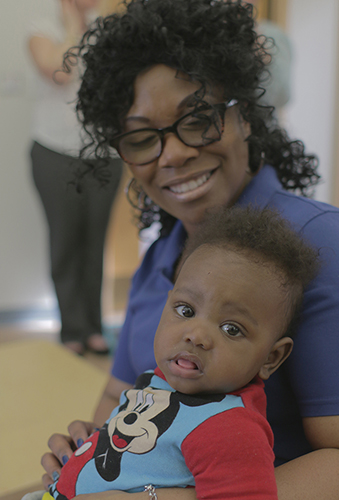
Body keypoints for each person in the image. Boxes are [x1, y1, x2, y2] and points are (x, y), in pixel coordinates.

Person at [41, 1, 339, 498]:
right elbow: (118, 396)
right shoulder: (161, 256)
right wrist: (91, 448)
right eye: (141, 137)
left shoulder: (320, 243)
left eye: (198, 119)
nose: (173, 154)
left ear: (245, 115)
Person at [30, 207, 319, 500]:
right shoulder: (156, 382)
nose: (196, 335)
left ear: (271, 357)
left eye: (232, 329)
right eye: (185, 310)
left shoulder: (231, 429)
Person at [27, 0, 123, 355]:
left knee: (94, 245)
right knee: (65, 242)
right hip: (54, 153)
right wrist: (72, 26)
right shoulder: (43, 30)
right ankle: (71, 330)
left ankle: (94, 328)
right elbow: (59, 72)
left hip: (104, 155)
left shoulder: (110, 31)